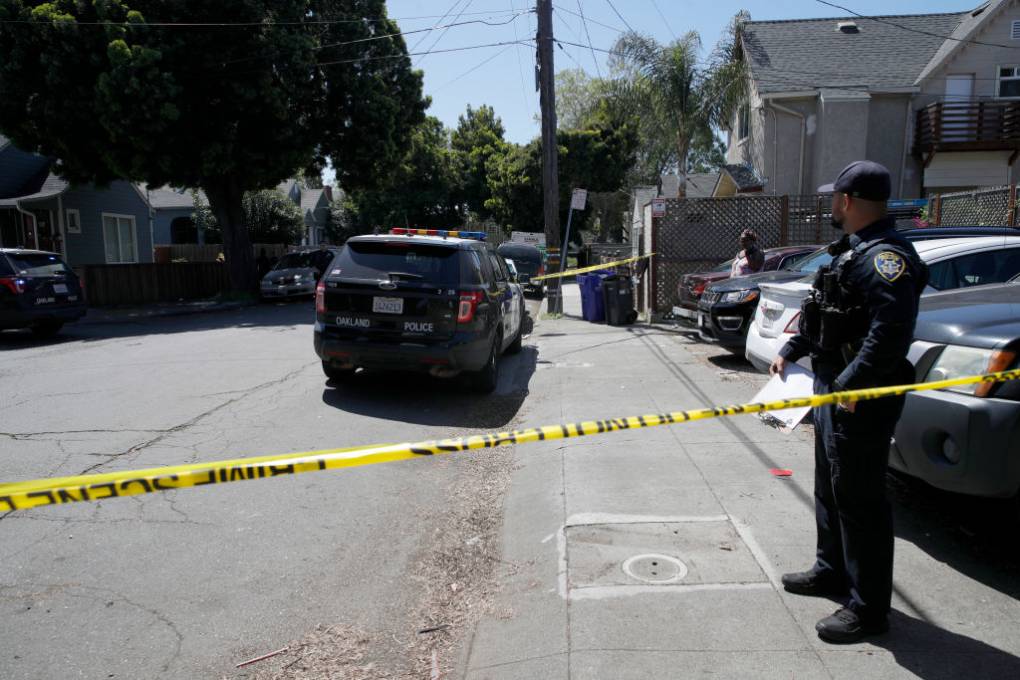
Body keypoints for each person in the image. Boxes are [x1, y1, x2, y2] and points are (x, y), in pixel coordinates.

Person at [769, 160, 927, 644]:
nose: (830, 205)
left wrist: (853, 385)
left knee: (861, 501)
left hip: (860, 395)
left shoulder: (887, 257)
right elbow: (829, 311)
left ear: (849, 201)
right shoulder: (851, 252)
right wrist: (792, 350)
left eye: (834, 197)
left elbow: (890, 330)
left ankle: (868, 609)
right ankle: (831, 570)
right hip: (833, 387)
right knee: (831, 486)